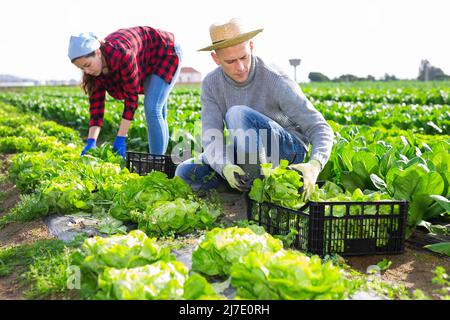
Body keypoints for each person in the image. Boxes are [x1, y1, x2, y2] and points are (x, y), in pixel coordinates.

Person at [175, 18, 333, 199]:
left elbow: (319, 127)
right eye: (230, 61)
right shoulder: (211, 83)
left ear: (251, 47)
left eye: (244, 57)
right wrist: (224, 166)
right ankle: (241, 183)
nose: (240, 67)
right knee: (185, 171)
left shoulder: (275, 78)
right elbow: (212, 136)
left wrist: (314, 165)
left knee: (237, 114)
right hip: (246, 149)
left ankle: (256, 192)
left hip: (285, 150)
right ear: (216, 58)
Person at [68, 26, 182, 158]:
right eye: (82, 68)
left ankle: (156, 164)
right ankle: (160, 161)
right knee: (157, 111)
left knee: (152, 108)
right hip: (145, 58)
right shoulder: (94, 72)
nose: (86, 71)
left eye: (87, 65)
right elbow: (96, 107)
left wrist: (121, 137)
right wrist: (91, 141)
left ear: (98, 53)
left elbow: (131, 99)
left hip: (164, 51)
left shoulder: (122, 54)